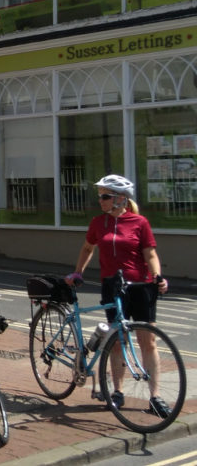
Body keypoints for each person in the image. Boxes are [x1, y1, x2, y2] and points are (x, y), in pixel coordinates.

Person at [64, 174, 171, 417]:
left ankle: (155, 397)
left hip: (141, 286)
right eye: (100, 196)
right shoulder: (97, 223)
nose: (100, 200)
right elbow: (87, 248)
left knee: (148, 341)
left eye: (105, 196)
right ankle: (117, 392)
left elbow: (150, 254)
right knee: (116, 341)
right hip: (112, 286)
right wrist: (78, 272)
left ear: (120, 198)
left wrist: (157, 276)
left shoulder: (139, 222)